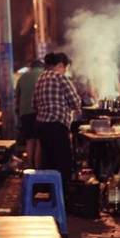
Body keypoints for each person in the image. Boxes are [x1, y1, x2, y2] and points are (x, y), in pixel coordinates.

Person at [33, 52, 82, 185]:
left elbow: (34, 105)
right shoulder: (60, 78)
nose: (65, 71)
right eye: (65, 68)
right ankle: (63, 196)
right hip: (57, 126)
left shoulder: (40, 79)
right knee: (63, 163)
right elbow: (75, 102)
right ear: (60, 65)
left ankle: (49, 192)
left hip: (41, 125)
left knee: (48, 161)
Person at [16, 59, 44, 168]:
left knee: (29, 140)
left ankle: (29, 165)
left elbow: (17, 96)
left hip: (25, 113)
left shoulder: (22, 77)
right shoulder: (44, 75)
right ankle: (38, 167)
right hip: (39, 112)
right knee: (39, 141)